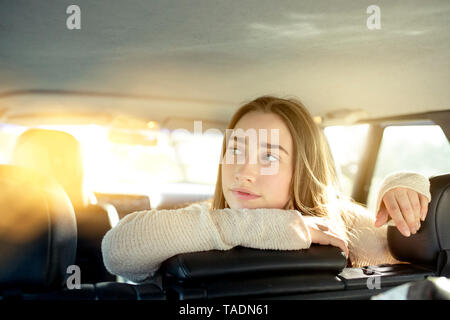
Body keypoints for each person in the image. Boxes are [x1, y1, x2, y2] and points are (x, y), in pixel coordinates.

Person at [101, 96, 431, 283]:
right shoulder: (204, 221)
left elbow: (428, 249)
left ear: (303, 168)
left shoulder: (345, 228)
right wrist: (261, 227)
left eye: (269, 155)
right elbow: (117, 251)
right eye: (236, 150)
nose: (244, 172)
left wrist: (405, 187)